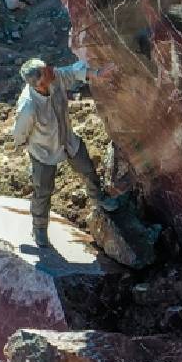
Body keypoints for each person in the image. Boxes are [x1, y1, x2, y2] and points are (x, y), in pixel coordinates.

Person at [10, 58, 119, 247]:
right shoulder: (28, 106)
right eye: (47, 70)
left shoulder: (54, 77)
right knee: (43, 191)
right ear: (40, 83)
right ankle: (39, 229)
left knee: (87, 169)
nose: (53, 70)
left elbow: (70, 72)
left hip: (68, 140)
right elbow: (19, 134)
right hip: (44, 152)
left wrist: (96, 73)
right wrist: (29, 148)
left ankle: (98, 198)